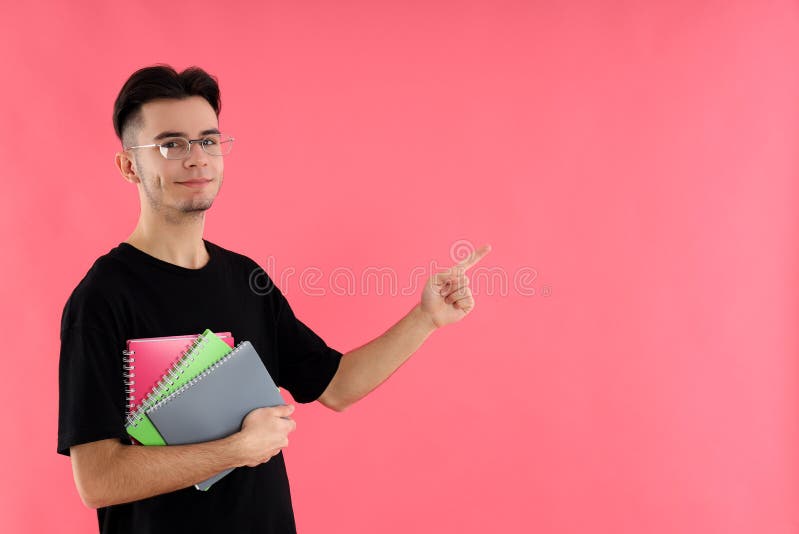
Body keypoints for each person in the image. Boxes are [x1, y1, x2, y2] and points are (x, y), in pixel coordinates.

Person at [57, 64, 491, 534]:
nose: (197, 158)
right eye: (170, 144)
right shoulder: (102, 297)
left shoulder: (246, 280)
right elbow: (97, 480)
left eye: (208, 140)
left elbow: (337, 386)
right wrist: (235, 450)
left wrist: (426, 318)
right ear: (128, 166)